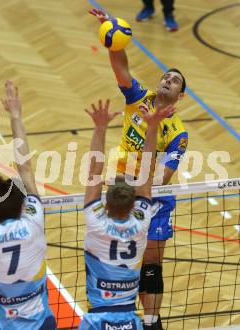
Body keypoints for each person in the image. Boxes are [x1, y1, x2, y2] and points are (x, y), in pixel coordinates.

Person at [90, 9, 188, 330]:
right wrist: (111, 33)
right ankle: (121, 315)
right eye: (166, 76)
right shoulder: (139, 98)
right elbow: (120, 67)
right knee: (118, 260)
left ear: (180, 95)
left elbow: (163, 177)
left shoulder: (178, 132)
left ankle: (152, 322)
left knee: (150, 267)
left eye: (174, 81)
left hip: (153, 199)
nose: (167, 80)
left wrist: (137, 189)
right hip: (122, 192)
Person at [79, 99, 174, 330]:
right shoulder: (142, 222)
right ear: (134, 205)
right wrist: (152, 127)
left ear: (106, 205)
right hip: (130, 320)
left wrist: (100, 128)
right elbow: (146, 173)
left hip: (97, 320)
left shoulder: (97, 222)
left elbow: (94, 171)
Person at [0, 81, 56, 330]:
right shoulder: (32, 223)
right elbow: (26, 169)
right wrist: (16, 115)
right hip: (43, 324)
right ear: (22, 206)